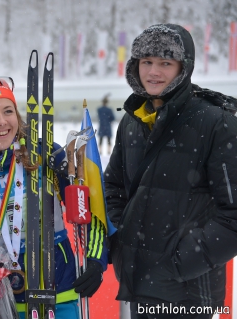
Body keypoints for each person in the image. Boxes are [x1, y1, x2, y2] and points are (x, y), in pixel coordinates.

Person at [105, 23, 237, 319]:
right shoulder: (133, 121)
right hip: (139, 281)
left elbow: (233, 214)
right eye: (146, 62)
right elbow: (113, 186)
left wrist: (178, 263)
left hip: (188, 290)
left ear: (183, 68)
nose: (153, 72)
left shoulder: (216, 123)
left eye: (165, 63)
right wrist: (123, 242)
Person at [0, 73, 108, 318]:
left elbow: (89, 208)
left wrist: (96, 260)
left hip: (59, 291)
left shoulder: (45, 155)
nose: (1, 121)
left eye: (8, 111)